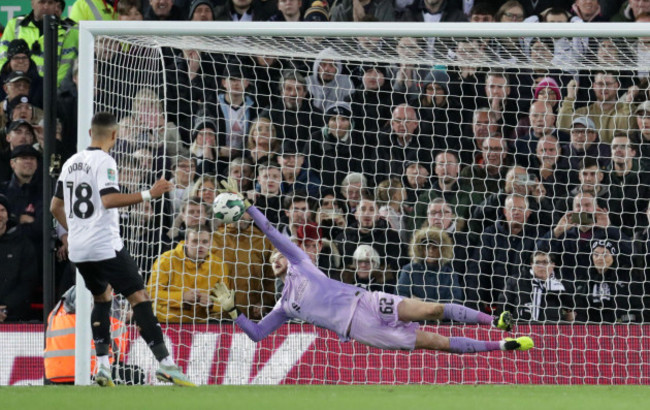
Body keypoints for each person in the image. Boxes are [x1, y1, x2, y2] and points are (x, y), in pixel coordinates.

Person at [212, 178, 533, 355]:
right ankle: (502, 345)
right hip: (362, 330)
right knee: (435, 343)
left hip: (366, 299)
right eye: (272, 260)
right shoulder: (285, 306)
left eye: (277, 255)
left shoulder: (300, 261)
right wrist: (233, 312)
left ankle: (495, 320)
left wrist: (249, 206)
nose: (277, 258)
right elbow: (256, 334)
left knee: (432, 310)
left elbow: (269, 230)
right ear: (272, 270)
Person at [49, 112, 194, 387]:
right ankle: (166, 364)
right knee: (139, 297)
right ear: (114, 136)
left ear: (91, 133)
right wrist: (150, 193)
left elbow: (55, 206)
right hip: (104, 245)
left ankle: (103, 368)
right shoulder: (105, 161)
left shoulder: (70, 163)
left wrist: (71, 233)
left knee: (102, 298)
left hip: (79, 249)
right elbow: (109, 199)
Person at [148, 226, 230, 323]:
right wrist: (182, 297)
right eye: (195, 241)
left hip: (201, 325)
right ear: (186, 242)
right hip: (165, 321)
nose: (200, 246)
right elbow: (151, 293)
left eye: (204, 242)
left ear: (210, 243)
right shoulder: (166, 260)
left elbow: (227, 301)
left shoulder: (219, 265)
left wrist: (212, 303)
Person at [499, 250, 575, 323]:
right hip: (520, 328)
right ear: (531, 264)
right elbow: (503, 306)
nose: (541, 266)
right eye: (537, 262)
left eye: (545, 262)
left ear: (553, 265)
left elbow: (570, 311)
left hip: (551, 330)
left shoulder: (562, 285)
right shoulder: (516, 281)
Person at [397, 227, 462, 305]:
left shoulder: (449, 274)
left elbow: (455, 301)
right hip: (414, 316)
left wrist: (422, 304)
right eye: (427, 247)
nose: (430, 251)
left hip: (441, 316)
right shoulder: (409, 270)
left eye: (434, 247)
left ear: (442, 249)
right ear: (421, 249)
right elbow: (400, 297)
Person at [0, 193, 38, 322]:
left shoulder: (22, 244)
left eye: (2, 210)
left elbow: (28, 281)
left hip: (16, 315)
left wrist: (6, 307)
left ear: (7, 214)